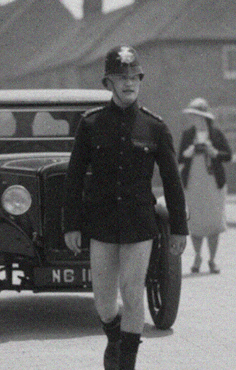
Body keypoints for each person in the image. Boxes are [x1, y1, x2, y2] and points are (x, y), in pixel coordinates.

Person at [63, 45, 188, 370]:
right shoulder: (91, 125)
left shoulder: (155, 127)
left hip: (139, 223)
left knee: (132, 293)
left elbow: (173, 181)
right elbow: (74, 178)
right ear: (109, 83)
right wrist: (72, 224)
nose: (129, 83)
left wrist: (179, 228)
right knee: (104, 303)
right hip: (101, 223)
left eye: (134, 78)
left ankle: (127, 361)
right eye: (122, 78)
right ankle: (115, 338)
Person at [178, 98, 232, 274]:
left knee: (214, 221)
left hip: (213, 184)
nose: (196, 120)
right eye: (194, 117)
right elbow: (179, 158)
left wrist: (213, 151)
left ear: (206, 118)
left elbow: (228, 155)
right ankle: (197, 255)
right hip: (193, 183)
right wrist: (190, 151)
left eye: (199, 117)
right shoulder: (187, 135)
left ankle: (213, 259)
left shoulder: (216, 134)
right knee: (195, 221)